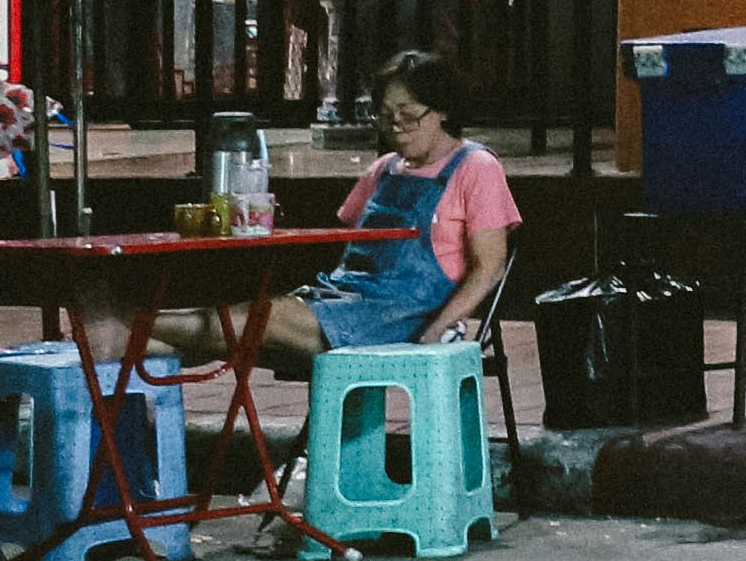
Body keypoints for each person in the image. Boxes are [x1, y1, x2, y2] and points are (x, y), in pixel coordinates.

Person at [142, 51, 520, 378]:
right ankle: (121, 340)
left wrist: (437, 330)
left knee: (256, 317)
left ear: (443, 111)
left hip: (404, 317)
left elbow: (489, 267)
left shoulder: (475, 167)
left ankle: (126, 326)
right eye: (386, 116)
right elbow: (348, 246)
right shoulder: (385, 169)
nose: (396, 126)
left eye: (408, 115)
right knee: (210, 336)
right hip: (345, 300)